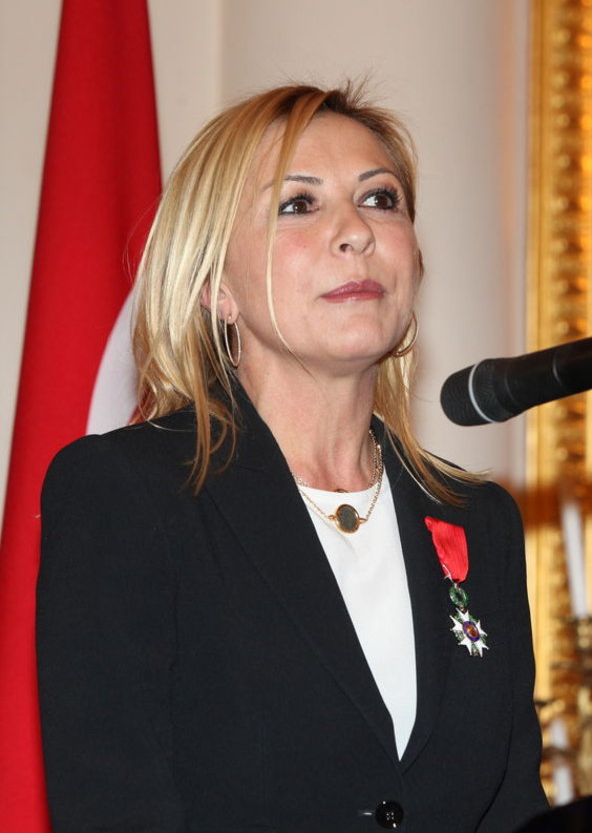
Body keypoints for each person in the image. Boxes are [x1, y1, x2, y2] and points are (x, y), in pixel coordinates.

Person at [37, 83, 548, 833]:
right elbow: (114, 806)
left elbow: (513, 812)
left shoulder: (478, 519)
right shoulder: (127, 493)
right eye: (298, 204)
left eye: (380, 199)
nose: (356, 233)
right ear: (215, 287)